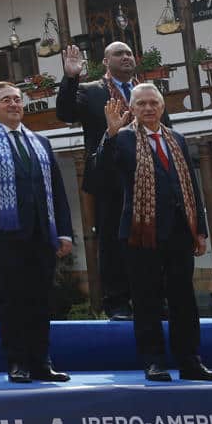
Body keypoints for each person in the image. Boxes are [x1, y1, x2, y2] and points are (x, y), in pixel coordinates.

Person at [94, 81, 212, 383]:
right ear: (131, 108)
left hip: (180, 232)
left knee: (184, 300)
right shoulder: (123, 139)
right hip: (141, 233)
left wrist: (200, 231)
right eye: (141, 104)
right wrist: (111, 135)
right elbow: (100, 175)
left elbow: (191, 186)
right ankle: (153, 361)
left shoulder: (177, 138)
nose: (148, 108)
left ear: (162, 106)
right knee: (146, 299)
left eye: (153, 103)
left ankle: (191, 361)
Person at [0, 82, 73, 384]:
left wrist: (64, 232)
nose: (13, 104)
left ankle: (41, 362)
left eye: (17, 100)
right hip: (3, 235)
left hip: (40, 234)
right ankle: (17, 363)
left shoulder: (41, 142)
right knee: (11, 301)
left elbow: (58, 192)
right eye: (5, 100)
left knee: (40, 300)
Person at [58, 41, 156, 320]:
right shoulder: (91, 91)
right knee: (112, 242)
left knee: (151, 242)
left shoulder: (146, 94)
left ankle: (152, 300)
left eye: (128, 53)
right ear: (105, 62)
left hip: (147, 178)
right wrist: (71, 77)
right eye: (118, 54)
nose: (125, 57)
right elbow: (65, 112)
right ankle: (117, 303)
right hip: (109, 180)